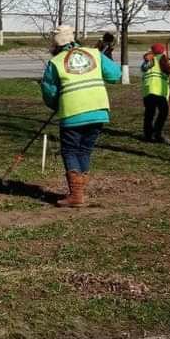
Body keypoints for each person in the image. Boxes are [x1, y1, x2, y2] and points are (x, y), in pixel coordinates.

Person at [41, 25, 122, 207]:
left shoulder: (56, 62)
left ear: (56, 44)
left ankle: (76, 195)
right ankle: (79, 192)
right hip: (98, 111)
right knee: (84, 151)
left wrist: (56, 104)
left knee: (70, 151)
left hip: (73, 113)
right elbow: (115, 74)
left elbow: (49, 91)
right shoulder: (93, 54)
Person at [141, 42, 170, 143]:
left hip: (147, 91)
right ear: (162, 50)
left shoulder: (148, 60)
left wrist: (168, 83)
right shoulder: (163, 59)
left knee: (149, 114)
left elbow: (146, 70)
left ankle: (148, 135)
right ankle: (157, 133)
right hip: (158, 91)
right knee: (163, 113)